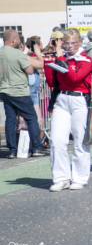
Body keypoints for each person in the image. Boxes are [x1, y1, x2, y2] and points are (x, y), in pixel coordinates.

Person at [48, 29, 92, 191]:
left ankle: (80, 177)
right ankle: (61, 178)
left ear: (80, 42)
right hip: (62, 100)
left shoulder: (85, 60)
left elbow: (74, 78)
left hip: (79, 100)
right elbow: (52, 81)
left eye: (74, 43)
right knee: (57, 140)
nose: (70, 46)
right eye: (67, 43)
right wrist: (49, 60)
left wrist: (60, 59)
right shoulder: (62, 58)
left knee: (80, 141)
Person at [0, 30, 48, 158]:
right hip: (19, 91)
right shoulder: (17, 53)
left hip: (5, 90)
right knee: (31, 118)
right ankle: (36, 147)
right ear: (14, 40)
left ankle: (12, 150)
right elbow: (30, 70)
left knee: (10, 120)